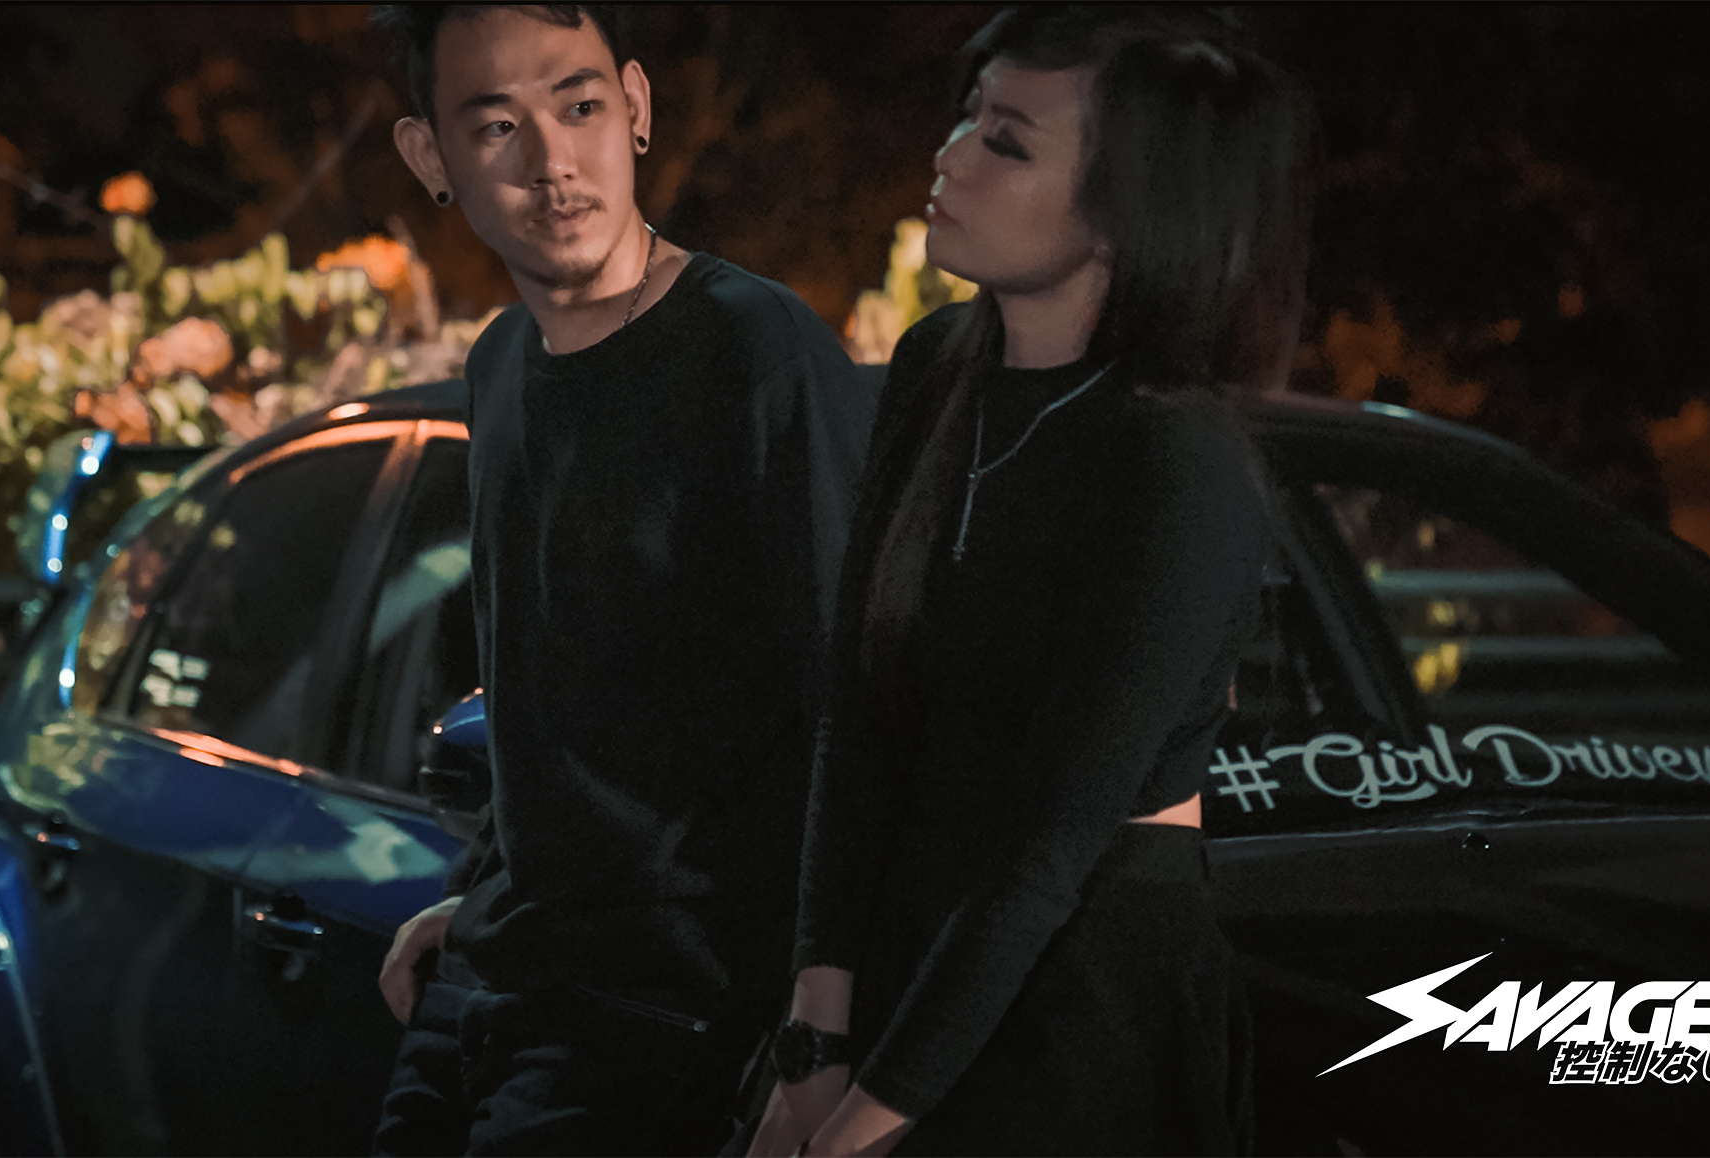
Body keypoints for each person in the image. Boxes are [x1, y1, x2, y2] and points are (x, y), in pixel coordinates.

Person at [747, 7, 1314, 1156]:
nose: (949, 153)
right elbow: (856, 723)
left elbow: (1049, 848)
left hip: (1081, 1003)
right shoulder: (934, 369)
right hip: (910, 957)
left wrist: (865, 1123)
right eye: (967, 114)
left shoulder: (1175, 461)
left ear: (1127, 209)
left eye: (1005, 141)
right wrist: (814, 1044)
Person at [368, 4, 876, 1154]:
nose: (551, 162)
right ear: (429, 158)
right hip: (498, 969)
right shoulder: (499, 366)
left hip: (672, 1004)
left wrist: (820, 1034)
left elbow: (854, 710)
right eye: (495, 127)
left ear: (636, 108)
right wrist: (480, 889)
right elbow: (547, 699)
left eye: (580, 106)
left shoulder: (754, 348)